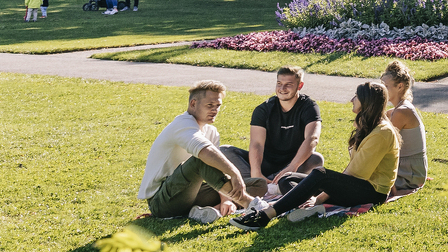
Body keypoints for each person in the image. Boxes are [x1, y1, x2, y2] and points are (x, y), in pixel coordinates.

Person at [231, 82, 399, 231]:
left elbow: (356, 173)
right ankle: (308, 207)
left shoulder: (382, 133)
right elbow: (351, 170)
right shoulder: (369, 127)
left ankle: (265, 216)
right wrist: (318, 196)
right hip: (357, 184)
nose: (352, 100)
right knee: (288, 178)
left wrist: (319, 198)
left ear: (367, 101)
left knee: (320, 174)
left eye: (356, 96)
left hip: (372, 192)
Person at [139, 81, 254, 225]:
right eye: (209, 105)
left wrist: (226, 200)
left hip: (190, 193)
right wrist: (234, 173)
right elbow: (204, 152)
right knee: (200, 160)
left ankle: (209, 210)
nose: (215, 110)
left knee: (257, 184)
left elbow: (216, 168)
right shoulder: (182, 124)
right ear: (193, 104)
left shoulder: (211, 132)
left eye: (218, 106)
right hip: (162, 201)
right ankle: (252, 205)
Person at [219, 66, 325, 198]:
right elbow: (256, 143)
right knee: (224, 151)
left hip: (293, 166)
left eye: (288, 85)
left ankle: (261, 187)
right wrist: (256, 173)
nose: (282, 89)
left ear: (300, 85)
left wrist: (292, 167)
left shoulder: (309, 107)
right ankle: (268, 185)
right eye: (279, 84)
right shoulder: (264, 109)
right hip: (265, 163)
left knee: (316, 159)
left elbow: (312, 138)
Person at [380, 61, 427, 194]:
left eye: (386, 86)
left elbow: (385, 144)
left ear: (400, 87)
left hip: (409, 175)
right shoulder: (398, 109)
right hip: (408, 168)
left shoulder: (401, 111)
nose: (382, 90)